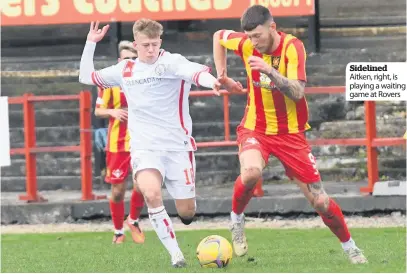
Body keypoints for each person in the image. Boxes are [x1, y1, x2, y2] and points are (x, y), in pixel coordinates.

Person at [212, 5, 368, 264]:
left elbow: (297, 92)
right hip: (256, 128)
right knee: (251, 173)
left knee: (320, 202)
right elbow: (218, 35)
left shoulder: (293, 47)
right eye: (249, 37)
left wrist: (269, 71)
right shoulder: (247, 44)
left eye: (258, 36)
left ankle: (351, 247)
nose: (253, 42)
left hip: (291, 135)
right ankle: (236, 220)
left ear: (272, 27)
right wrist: (222, 76)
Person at [79, 19, 222, 267]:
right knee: (151, 193)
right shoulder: (125, 69)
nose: (150, 49)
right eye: (145, 45)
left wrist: (215, 83)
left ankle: (185, 213)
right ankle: (176, 254)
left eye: (154, 44)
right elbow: (86, 76)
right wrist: (91, 43)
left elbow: (197, 73)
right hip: (144, 148)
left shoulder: (172, 62)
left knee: (187, 213)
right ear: (135, 45)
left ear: (160, 42)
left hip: (178, 147)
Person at [94, 41, 145, 244]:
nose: (130, 62)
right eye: (126, 59)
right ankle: (118, 231)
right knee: (118, 191)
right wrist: (111, 111)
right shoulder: (108, 83)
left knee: (142, 185)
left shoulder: (146, 80)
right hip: (117, 144)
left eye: (134, 59)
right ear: (119, 61)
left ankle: (133, 220)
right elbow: (97, 111)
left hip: (142, 141)